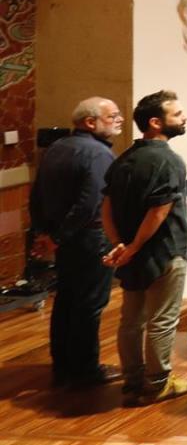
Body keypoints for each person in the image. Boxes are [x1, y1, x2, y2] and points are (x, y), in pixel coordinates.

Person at [102, 90, 187, 405]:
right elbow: (160, 209)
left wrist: (120, 244)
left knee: (131, 319)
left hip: (132, 252)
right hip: (164, 251)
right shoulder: (168, 159)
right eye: (177, 113)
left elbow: (106, 205)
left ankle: (133, 378)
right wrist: (135, 245)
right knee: (162, 318)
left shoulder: (125, 157)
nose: (183, 118)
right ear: (156, 123)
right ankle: (157, 383)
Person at [30, 97, 125, 388]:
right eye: (113, 115)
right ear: (90, 122)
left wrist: (45, 234)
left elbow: (37, 195)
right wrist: (58, 236)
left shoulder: (57, 147)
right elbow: (89, 205)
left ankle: (63, 366)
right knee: (89, 304)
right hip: (89, 237)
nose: (119, 119)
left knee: (66, 301)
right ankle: (85, 369)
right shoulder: (98, 154)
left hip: (65, 238)